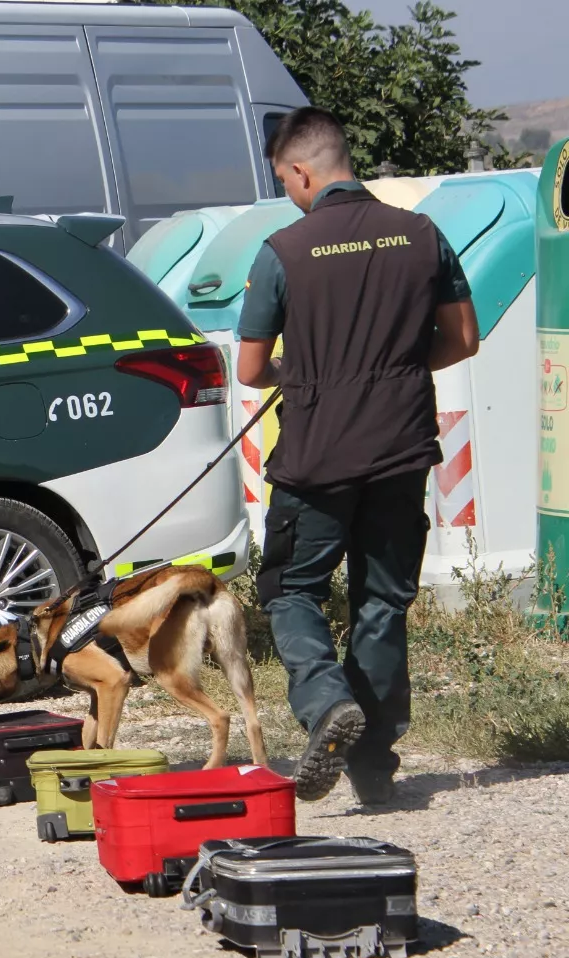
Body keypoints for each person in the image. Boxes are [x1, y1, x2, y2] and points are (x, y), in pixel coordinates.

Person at [236, 107, 480, 805]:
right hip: (402, 449)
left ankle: (324, 703)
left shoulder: (283, 251)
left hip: (315, 458)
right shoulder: (422, 235)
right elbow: (464, 339)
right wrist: (394, 370)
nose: (289, 193)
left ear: (301, 171)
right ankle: (373, 768)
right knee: (382, 601)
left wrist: (305, 372)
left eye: (286, 180)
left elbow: (251, 369)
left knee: (292, 589)